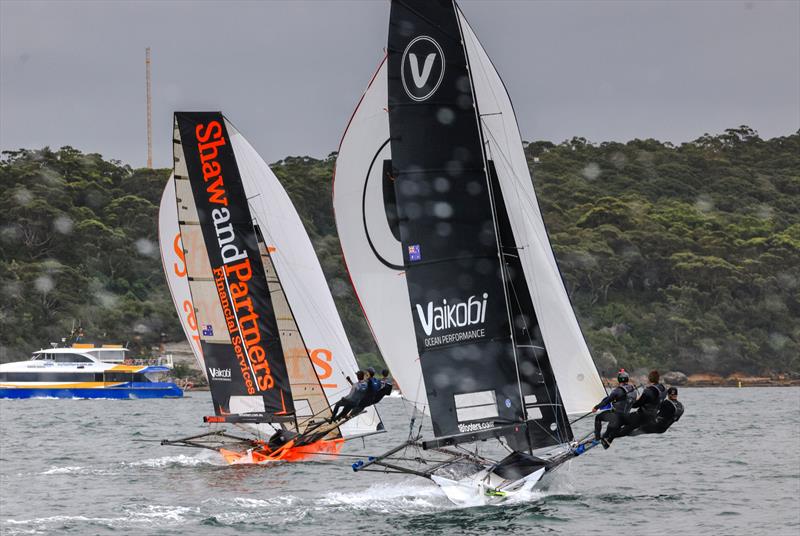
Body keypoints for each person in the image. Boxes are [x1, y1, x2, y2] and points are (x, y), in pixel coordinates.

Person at [592, 369, 637, 448]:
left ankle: (597, 438)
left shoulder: (617, 391)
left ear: (619, 379)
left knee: (598, 418)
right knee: (612, 427)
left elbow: (606, 401)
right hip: (626, 417)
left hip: (616, 416)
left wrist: (596, 407)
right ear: (627, 379)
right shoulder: (633, 390)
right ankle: (606, 440)